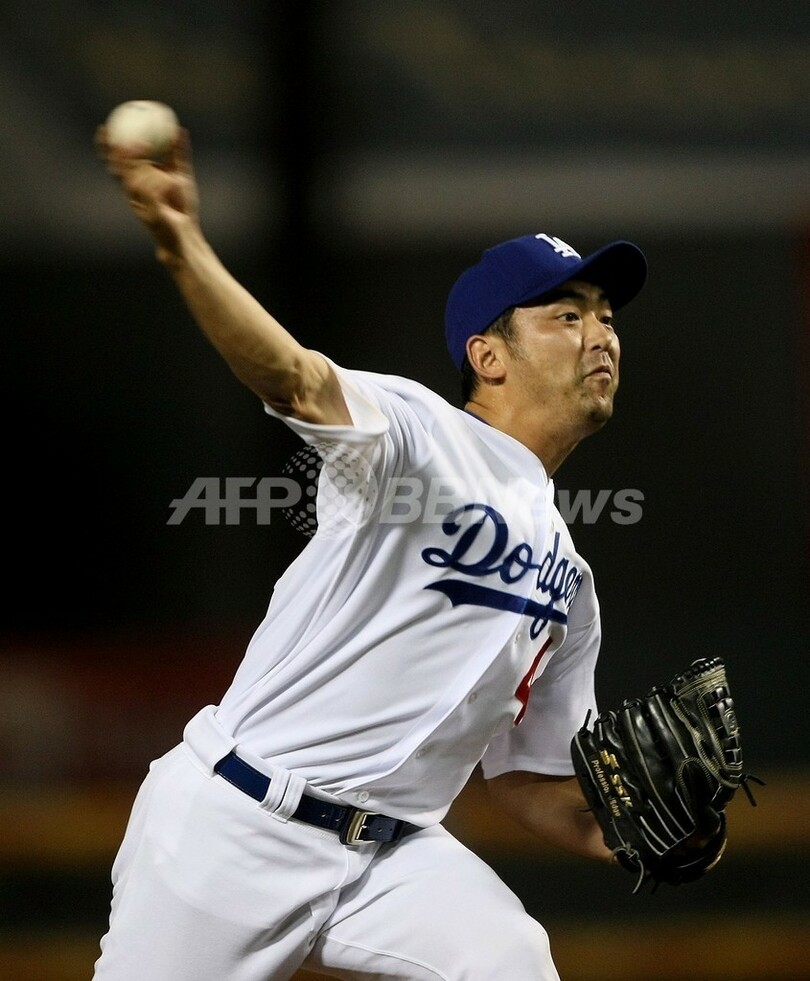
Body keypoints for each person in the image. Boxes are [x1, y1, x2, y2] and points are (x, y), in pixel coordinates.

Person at [93, 124, 648, 981]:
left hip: (391, 857)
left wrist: (637, 829)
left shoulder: (568, 582)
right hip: (237, 821)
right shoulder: (416, 435)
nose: (600, 334)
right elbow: (293, 376)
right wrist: (182, 245)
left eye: (606, 316)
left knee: (510, 958)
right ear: (488, 355)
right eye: (566, 315)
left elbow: (526, 778)